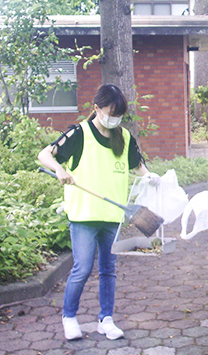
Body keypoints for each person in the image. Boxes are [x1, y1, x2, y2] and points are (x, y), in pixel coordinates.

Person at [38, 84, 159, 341]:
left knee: (109, 269)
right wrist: (59, 169)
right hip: (83, 215)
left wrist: (149, 177)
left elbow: (136, 165)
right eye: (110, 112)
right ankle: (69, 317)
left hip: (112, 215)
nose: (114, 118)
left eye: (119, 114)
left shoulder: (123, 137)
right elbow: (45, 154)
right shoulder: (79, 133)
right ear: (96, 109)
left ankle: (106, 319)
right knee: (81, 268)